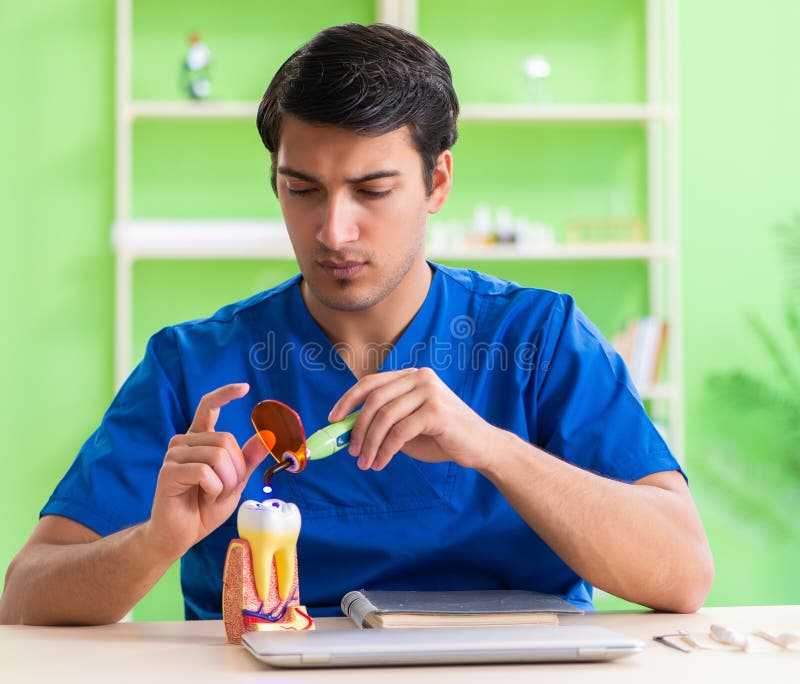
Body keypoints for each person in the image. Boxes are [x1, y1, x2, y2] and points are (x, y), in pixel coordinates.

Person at [0, 23, 713, 626]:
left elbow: (683, 573)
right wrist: (155, 543)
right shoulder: (197, 363)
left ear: (437, 184)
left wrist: (492, 449)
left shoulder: (539, 337)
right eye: (301, 189)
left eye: (372, 190)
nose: (333, 230)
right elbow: (26, 596)